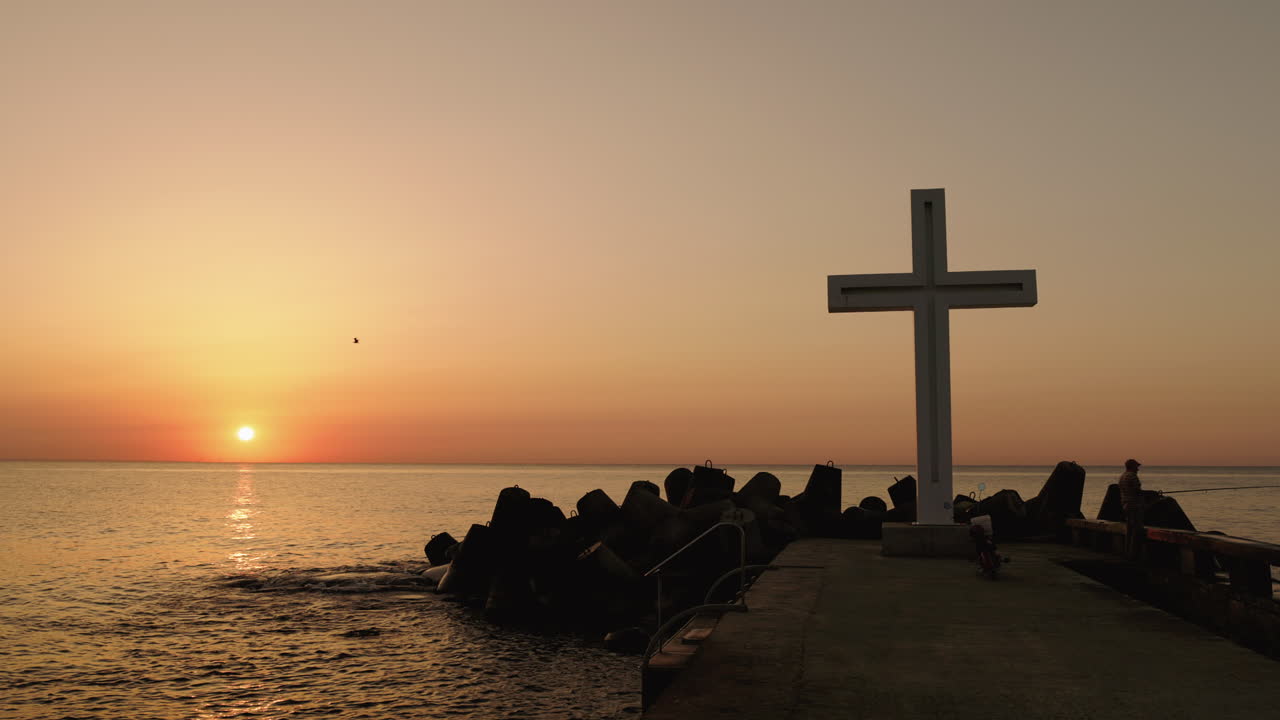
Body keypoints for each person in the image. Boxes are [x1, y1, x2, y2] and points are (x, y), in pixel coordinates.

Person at [1118, 459, 1144, 561]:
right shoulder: (1132, 476)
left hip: (1125, 505)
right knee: (1136, 530)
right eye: (1136, 466)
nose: (1138, 469)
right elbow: (1137, 491)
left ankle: (1127, 552)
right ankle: (1133, 555)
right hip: (1134, 506)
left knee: (1129, 530)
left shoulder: (1122, 476)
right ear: (1132, 466)